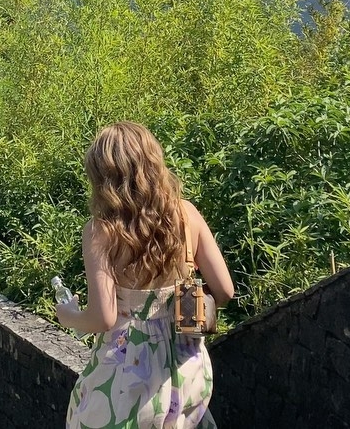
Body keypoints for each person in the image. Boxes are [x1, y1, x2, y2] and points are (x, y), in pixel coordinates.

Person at [57, 122, 235, 429]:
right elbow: (225, 291)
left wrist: (68, 315)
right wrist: (184, 300)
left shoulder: (101, 232)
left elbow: (104, 318)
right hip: (185, 366)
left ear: (102, 178)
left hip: (128, 374)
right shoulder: (187, 214)